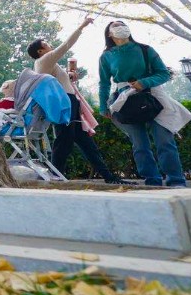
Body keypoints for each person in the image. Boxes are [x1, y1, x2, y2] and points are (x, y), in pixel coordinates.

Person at [28, 18, 130, 184]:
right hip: (65, 103)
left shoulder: (47, 64)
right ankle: (56, 176)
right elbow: (67, 44)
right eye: (46, 44)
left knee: (85, 143)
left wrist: (69, 77)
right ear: (40, 51)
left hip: (69, 102)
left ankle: (109, 177)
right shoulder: (43, 60)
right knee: (64, 141)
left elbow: (59, 82)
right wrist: (82, 26)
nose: (50, 45)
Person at [99, 21, 191, 187]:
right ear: (109, 34)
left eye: (122, 24)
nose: (120, 27)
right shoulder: (106, 56)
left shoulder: (145, 49)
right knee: (140, 145)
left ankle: (176, 180)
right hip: (125, 101)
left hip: (153, 97)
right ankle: (152, 181)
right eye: (115, 25)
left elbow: (163, 74)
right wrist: (103, 106)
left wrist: (144, 82)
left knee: (165, 141)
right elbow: (104, 83)